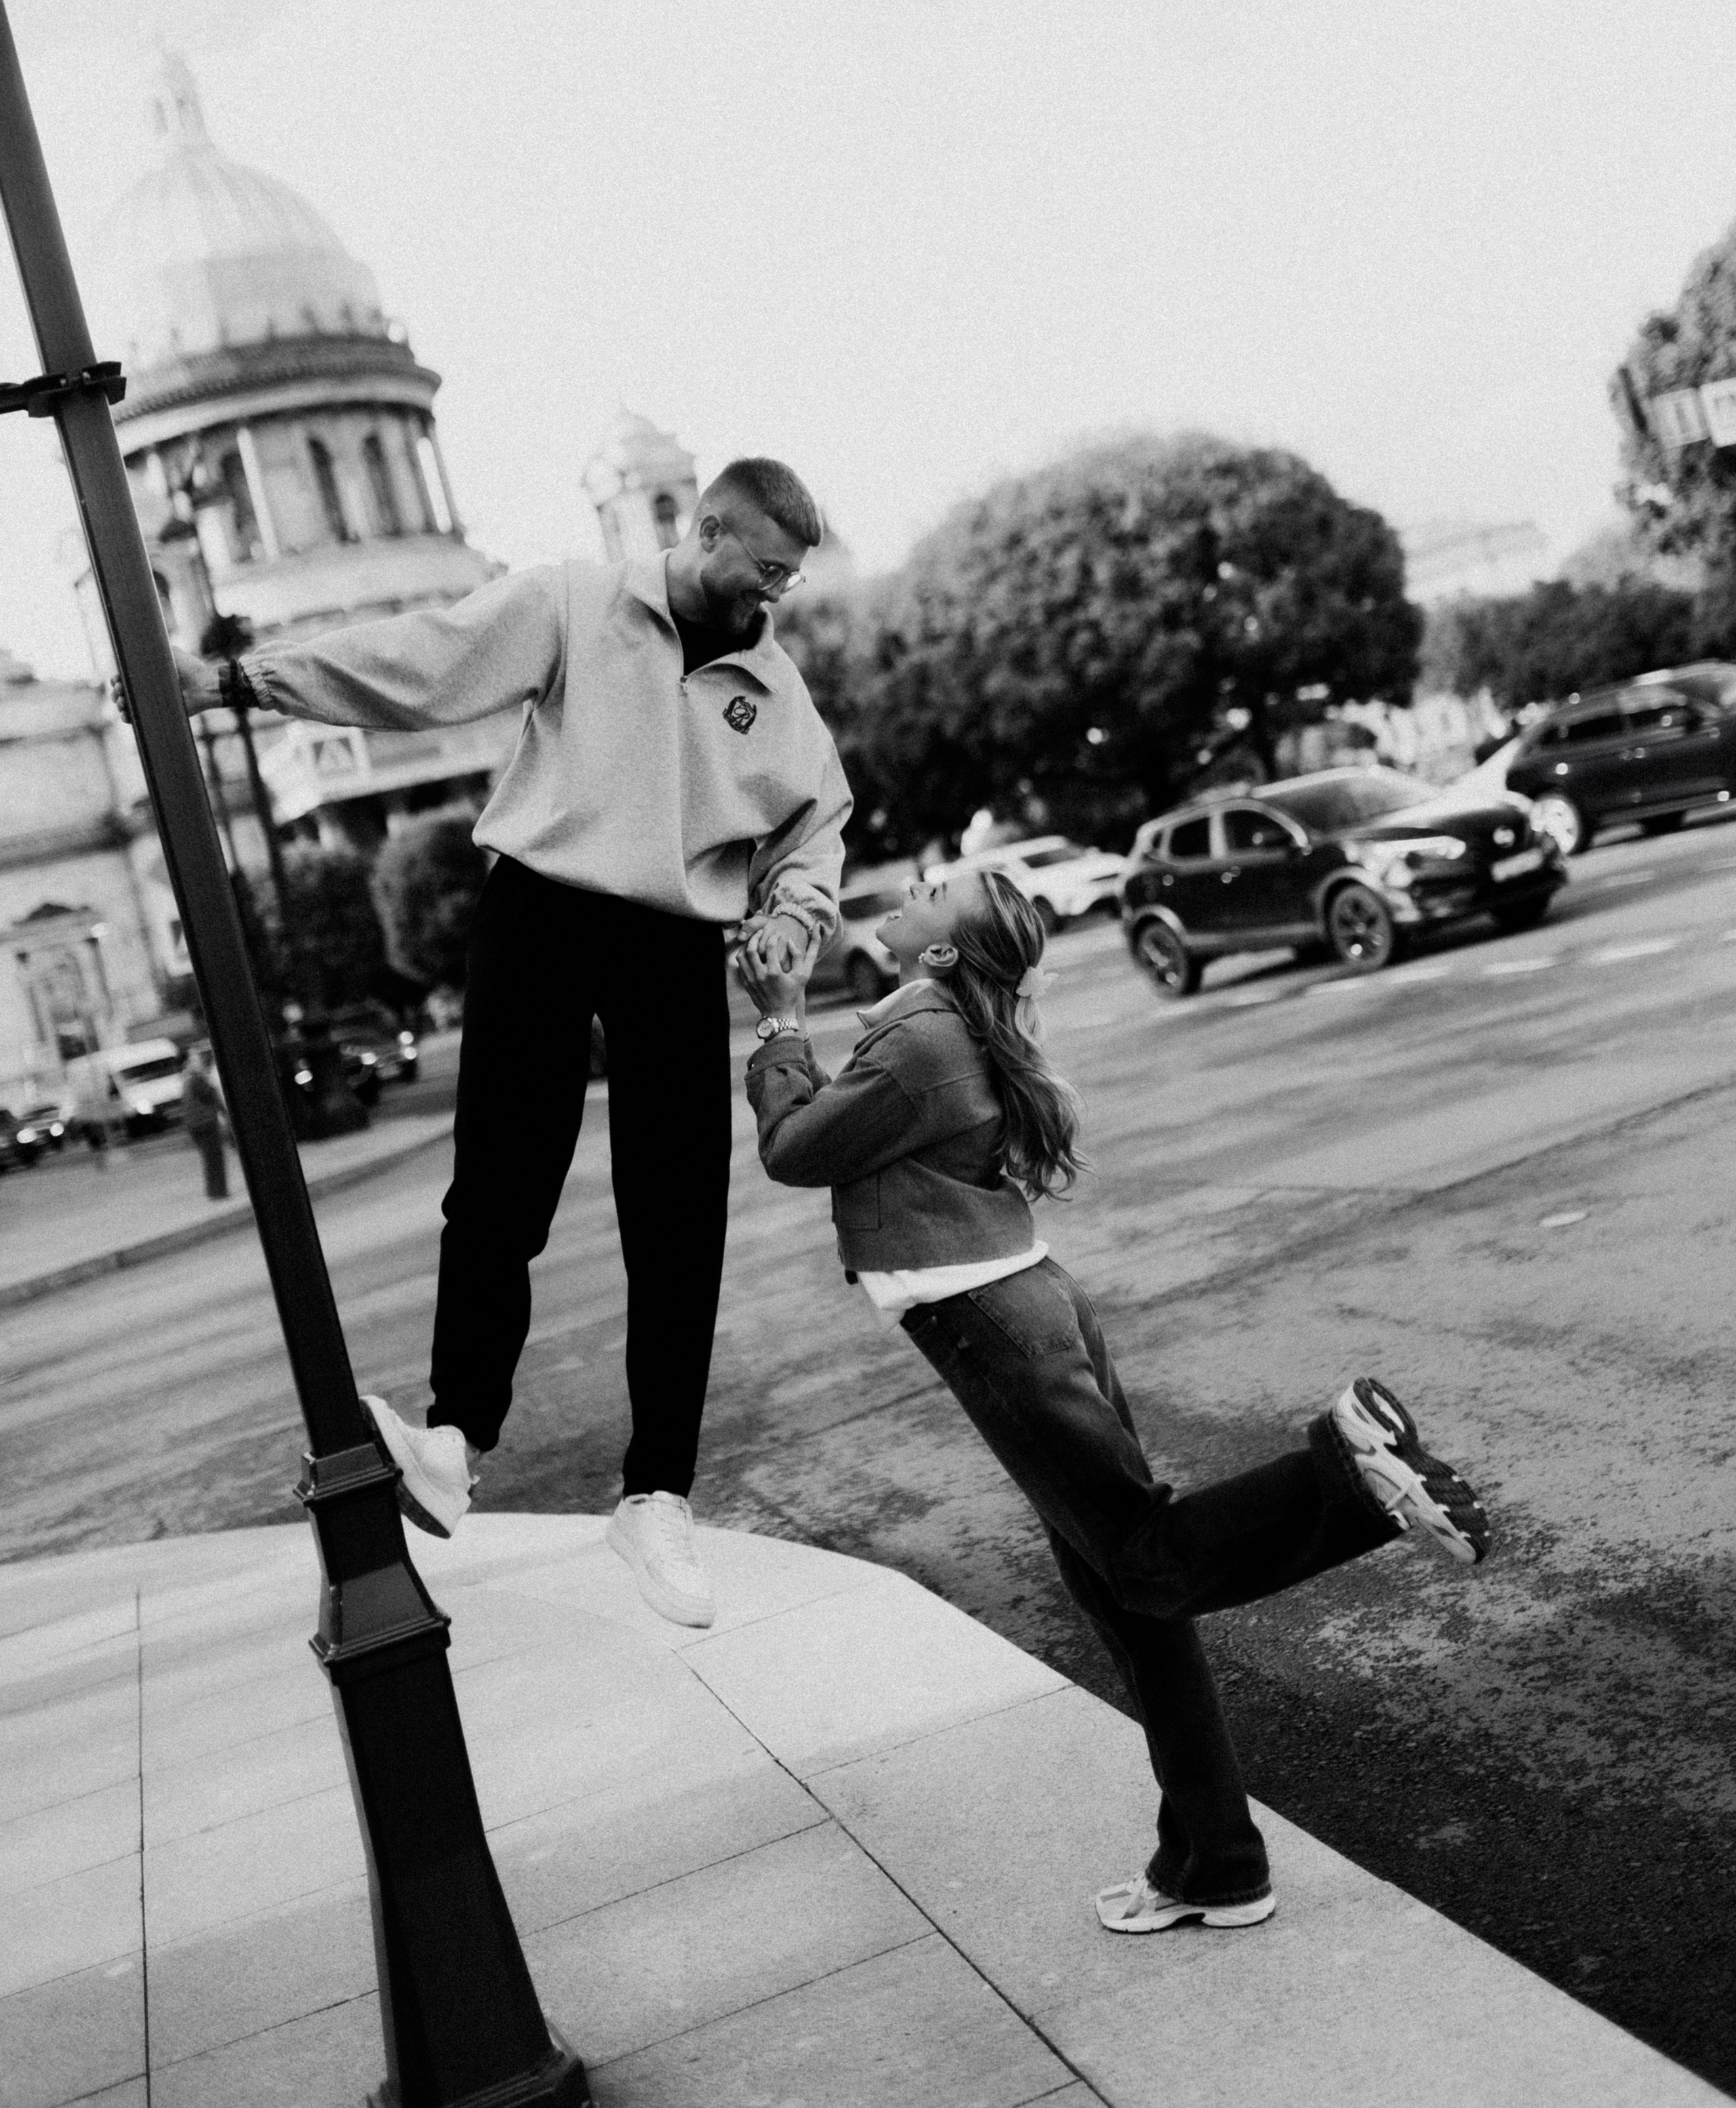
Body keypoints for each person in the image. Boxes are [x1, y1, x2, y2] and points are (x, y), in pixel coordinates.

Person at [734, 865, 1490, 1933]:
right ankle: (1218, 1864)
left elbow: (792, 1149)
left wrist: (778, 1024)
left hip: (991, 1323)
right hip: (1027, 1307)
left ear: (944, 952)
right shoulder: (934, 1024)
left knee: (1147, 1560)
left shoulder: (919, 1044)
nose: (913, 883)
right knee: (1127, 1601)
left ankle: (1351, 1477)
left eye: (935, 888)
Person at [170, 458, 850, 1628]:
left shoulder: (774, 691)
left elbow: (814, 824)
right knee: (499, 1183)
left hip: (672, 942)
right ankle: (455, 1436)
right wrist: (240, 682)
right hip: (540, 905)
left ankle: (657, 1497)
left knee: (680, 1219)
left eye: (791, 577)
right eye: (764, 568)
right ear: (706, 531)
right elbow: (426, 659)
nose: (775, 595)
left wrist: (793, 916)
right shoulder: (575, 602)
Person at [181, 1047, 229, 1199]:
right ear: (189, 1063)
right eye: (195, 1060)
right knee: (214, 1158)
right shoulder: (196, 1079)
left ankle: (215, 1191)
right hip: (205, 1123)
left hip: (197, 1124)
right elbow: (209, 1095)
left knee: (210, 1158)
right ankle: (218, 1192)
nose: (199, 1062)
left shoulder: (188, 1079)